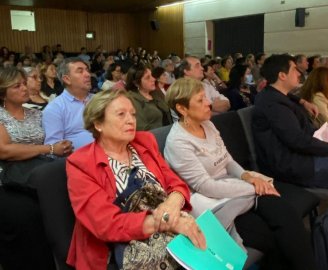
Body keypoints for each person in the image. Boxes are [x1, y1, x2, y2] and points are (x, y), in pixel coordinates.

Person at [164, 78, 315, 270]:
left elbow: (227, 159)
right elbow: (206, 186)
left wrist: (248, 176)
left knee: (287, 216)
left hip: (236, 187)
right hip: (216, 202)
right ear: (182, 109)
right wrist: (252, 186)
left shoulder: (207, 124)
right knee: (270, 237)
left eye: (206, 98)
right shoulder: (178, 142)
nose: (209, 103)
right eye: (201, 100)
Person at [66, 89, 206, 270]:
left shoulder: (144, 142)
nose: (131, 120)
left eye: (133, 114)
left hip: (168, 227)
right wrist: (166, 221)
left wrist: (171, 205)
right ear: (98, 123)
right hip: (119, 246)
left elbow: (176, 184)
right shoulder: (81, 164)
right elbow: (106, 224)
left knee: (207, 246)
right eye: (121, 114)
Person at [0, 67, 72, 270]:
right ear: (3, 91)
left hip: (39, 172)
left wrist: (63, 145)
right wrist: (49, 148)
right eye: (17, 86)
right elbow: (4, 151)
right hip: (8, 178)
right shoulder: (0, 115)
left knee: (64, 204)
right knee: (28, 214)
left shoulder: (35, 113)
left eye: (24, 83)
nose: (24, 88)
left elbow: (53, 139)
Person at [253, 54, 328, 191]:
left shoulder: (274, 94)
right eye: (294, 69)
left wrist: (302, 102)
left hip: (301, 155)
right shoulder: (274, 105)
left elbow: (287, 97)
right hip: (294, 164)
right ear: (282, 75)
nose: (299, 73)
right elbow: (297, 140)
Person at [43, 57, 94, 150]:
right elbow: (54, 147)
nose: (88, 75)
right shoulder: (55, 108)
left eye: (87, 70)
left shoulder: (99, 100)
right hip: (80, 159)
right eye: (80, 71)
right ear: (67, 79)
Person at [126, 64, 172, 131]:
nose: (153, 79)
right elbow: (142, 128)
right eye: (148, 77)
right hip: (155, 137)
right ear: (136, 83)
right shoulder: (132, 100)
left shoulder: (155, 93)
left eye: (152, 76)